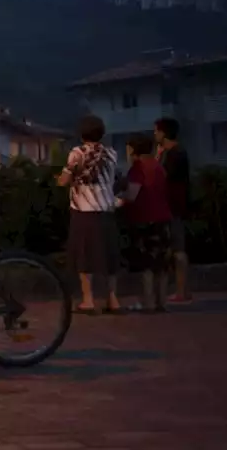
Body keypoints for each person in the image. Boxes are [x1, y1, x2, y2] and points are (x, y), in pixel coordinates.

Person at [57, 115, 122, 315]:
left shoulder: (77, 153)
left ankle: (88, 300)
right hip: (106, 211)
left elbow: (64, 181)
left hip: (84, 211)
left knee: (84, 257)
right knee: (109, 257)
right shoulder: (111, 153)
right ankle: (113, 299)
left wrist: (61, 178)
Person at [118, 134, 173, 313]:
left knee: (146, 265)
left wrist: (116, 201)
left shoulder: (137, 169)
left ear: (134, 151)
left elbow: (132, 195)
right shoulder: (159, 167)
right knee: (161, 264)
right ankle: (162, 302)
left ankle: (148, 302)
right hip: (163, 219)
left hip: (143, 221)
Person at [154, 117, 192, 304]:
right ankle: (181, 290)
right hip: (172, 206)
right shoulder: (174, 153)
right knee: (173, 250)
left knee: (178, 250)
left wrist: (158, 158)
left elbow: (162, 177)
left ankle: (181, 292)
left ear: (163, 133)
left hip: (174, 207)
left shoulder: (175, 154)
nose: (154, 134)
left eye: (156, 131)